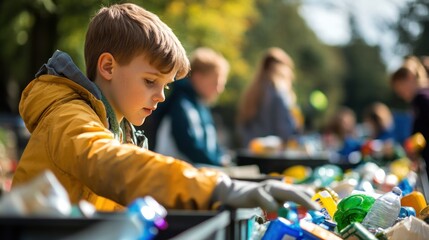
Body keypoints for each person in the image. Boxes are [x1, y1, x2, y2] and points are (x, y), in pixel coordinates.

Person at [11, 3, 318, 213]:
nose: (160, 96)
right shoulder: (68, 116)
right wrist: (218, 188)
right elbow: (114, 165)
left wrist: (241, 182)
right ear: (108, 66)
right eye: (150, 81)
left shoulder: (119, 129)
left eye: (165, 85)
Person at [152, 47, 230, 167]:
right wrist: (217, 163)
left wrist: (221, 157)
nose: (219, 89)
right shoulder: (181, 105)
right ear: (198, 77)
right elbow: (188, 146)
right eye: (216, 83)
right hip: (174, 176)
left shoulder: (199, 105)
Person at [236, 47, 301, 148]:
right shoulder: (279, 92)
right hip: (272, 155)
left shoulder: (251, 92)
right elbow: (284, 130)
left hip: (252, 151)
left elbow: (242, 127)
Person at [390, 55, 429, 177]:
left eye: (400, 88)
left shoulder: (421, 99)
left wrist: (412, 147)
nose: (401, 94)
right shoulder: (421, 99)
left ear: (409, 78)